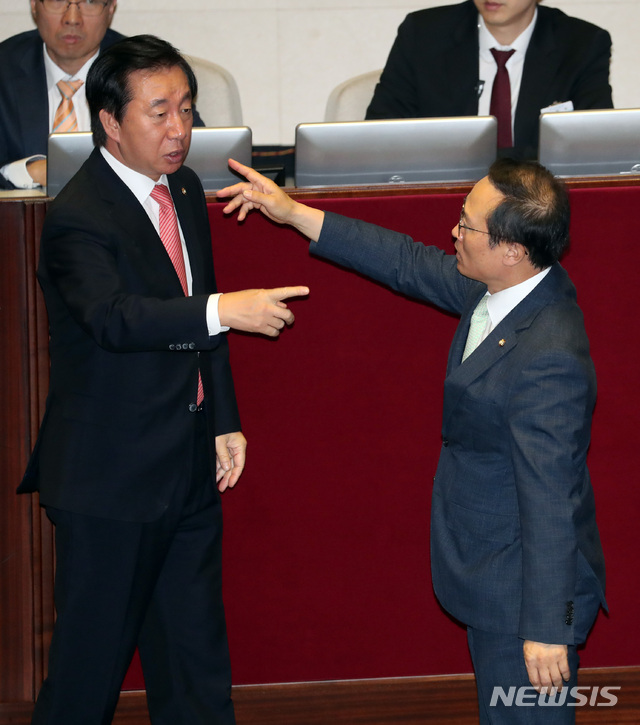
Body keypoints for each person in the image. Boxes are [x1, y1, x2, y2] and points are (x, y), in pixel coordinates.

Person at [217, 156, 606, 723]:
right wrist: (293, 212)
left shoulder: (549, 357)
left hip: (520, 596)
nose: (453, 232)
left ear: (512, 249)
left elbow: (552, 497)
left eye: (467, 225)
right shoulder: (506, 290)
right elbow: (404, 260)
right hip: (495, 572)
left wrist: (548, 628)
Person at [18, 35, 308, 724]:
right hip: (111, 479)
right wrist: (224, 310)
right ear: (110, 123)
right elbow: (114, 318)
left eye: (186, 107)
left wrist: (224, 418)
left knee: (195, 671)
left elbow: (198, 301)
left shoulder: (182, 187)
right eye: (159, 112)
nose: (179, 128)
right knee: (87, 680)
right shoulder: (77, 215)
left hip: (186, 463)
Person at [365, 0, 613, 160]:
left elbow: (594, 147)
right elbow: (380, 134)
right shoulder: (423, 34)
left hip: (538, 202)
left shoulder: (582, 45)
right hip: (444, 189)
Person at [0, 0, 204, 191]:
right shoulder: (4, 67)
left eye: (90, 1)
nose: (72, 18)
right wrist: (24, 172)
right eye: (58, 0)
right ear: (34, 4)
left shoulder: (140, 70)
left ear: (111, 7)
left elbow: (198, 155)